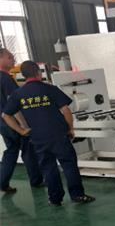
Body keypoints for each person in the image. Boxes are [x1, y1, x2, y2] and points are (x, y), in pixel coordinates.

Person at [2, 61, 94, 206]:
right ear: (38, 73)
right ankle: (78, 195)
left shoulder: (18, 94)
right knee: (69, 164)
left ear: (23, 75)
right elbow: (65, 110)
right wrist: (70, 128)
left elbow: (6, 115)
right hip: (58, 135)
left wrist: (21, 130)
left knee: (48, 167)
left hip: (38, 138)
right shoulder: (50, 89)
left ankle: (55, 199)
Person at [0, 49, 43, 193]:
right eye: (9, 57)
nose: (13, 59)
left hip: (2, 123)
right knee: (28, 150)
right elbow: (14, 105)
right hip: (13, 122)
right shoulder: (6, 79)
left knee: (11, 150)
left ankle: (3, 182)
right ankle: (36, 181)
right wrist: (23, 126)